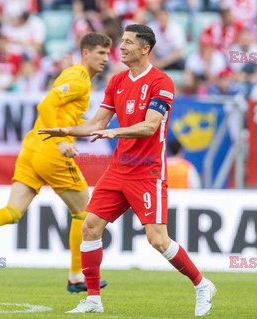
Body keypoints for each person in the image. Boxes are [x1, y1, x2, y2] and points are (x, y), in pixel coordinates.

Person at [39, 24, 215, 316]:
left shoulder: (162, 82)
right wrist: (65, 131)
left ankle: (201, 284)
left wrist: (115, 132)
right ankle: (93, 301)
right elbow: (97, 123)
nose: (120, 47)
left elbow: (150, 126)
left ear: (145, 49)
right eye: (121, 41)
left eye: (128, 42)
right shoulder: (118, 81)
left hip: (148, 171)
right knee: (90, 227)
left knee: (157, 239)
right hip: (119, 169)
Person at [0, 32, 112, 294]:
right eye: (101, 52)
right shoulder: (79, 79)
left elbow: (54, 106)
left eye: (107, 53)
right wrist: (59, 140)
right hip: (51, 152)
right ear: (86, 53)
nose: (106, 58)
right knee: (84, 213)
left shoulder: (73, 75)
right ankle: (76, 276)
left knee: (13, 212)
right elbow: (45, 105)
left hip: (31, 149)